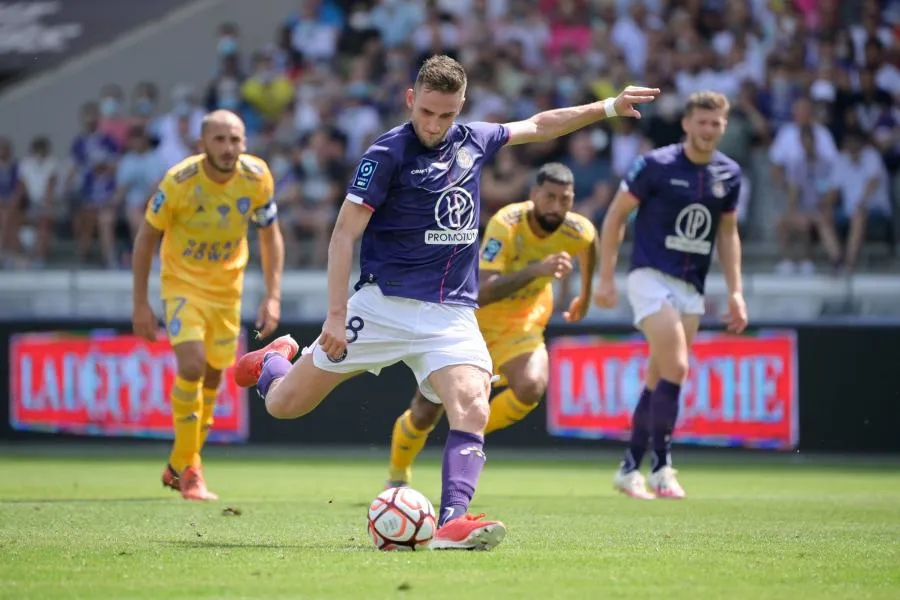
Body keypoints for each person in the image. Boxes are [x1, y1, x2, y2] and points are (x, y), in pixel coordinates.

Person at [233, 54, 658, 549]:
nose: (435, 125)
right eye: (427, 112)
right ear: (411, 99)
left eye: (447, 114)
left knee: (472, 404)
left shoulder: (475, 139)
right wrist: (335, 312)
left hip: (451, 314)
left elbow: (541, 124)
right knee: (286, 406)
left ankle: (454, 521)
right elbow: (344, 234)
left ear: (461, 107)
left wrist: (607, 106)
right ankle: (274, 362)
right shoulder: (386, 153)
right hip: (381, 306)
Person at [385, 162, 599, 489]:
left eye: (565, 199)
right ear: (533, 195)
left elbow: (591, 245)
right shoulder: (507, 224)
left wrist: (585, 296)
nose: (557, 207)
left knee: (530, 386)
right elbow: (484, 291)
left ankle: (468, 434)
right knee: (426, 411)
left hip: (522, 326)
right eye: (550, 197)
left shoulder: (576, 229)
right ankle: (398, 476)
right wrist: (536, 270)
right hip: (472, 324)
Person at [594, 90, 748, 500]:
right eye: (701, 121)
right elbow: (614, 216)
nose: (708, 129)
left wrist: (736, 292)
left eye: (716, 123)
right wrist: (606, 277)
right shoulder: (655, 165)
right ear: (686, 123)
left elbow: (728, 235)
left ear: (724, 126)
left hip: (691, 288)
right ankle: (662, 467)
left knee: (659, 375)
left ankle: (629, 468)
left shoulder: (729, 173)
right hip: (649, 277)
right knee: (677, 366)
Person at [131, 110, 285, 501]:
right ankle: (192, 471)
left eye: (235, 140)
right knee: (192, 366)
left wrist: (272, 294)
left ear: (244, 143)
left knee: (215, 380)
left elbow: (270, 235)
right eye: (220, 139)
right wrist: (140, 304)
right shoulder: (179, 182)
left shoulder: (257, 177)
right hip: (183, 286)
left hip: (227, 291)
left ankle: (178, 464)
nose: (229, 148)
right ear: (203, 145)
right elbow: (146, 238)